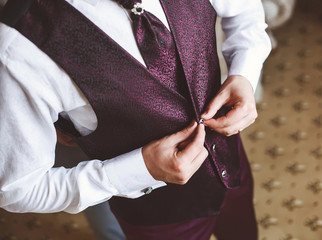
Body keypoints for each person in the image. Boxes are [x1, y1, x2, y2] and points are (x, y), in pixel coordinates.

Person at [0, 0, 271, 239]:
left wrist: (244, 73)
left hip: (232, 163)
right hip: (158, 218)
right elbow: (17, 189)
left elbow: (244, 12)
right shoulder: (18, 48)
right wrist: (136, 171)